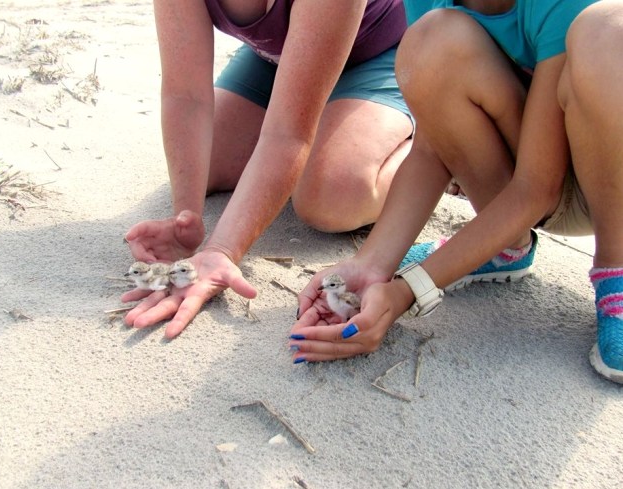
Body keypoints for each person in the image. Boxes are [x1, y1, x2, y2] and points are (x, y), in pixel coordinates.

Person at [291, 0, 623, 384]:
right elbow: (433, 146)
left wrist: (407, 291)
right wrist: (372, 266)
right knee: (434, 39)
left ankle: (616, 270)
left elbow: (538, 189)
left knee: (608, 25)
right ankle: (504, 246)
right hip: (534, 176)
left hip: (605, 176)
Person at [121, 0, 414, 338]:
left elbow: (287, 135)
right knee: (207, 159)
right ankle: (325, 115)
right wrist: (185, 218)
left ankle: (431, 149)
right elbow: (185, 96)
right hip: (284, 52)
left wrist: (222, 250)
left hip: (380, 50)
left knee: (329, 195)